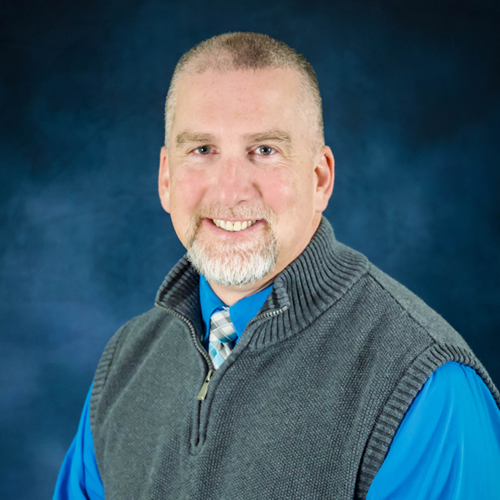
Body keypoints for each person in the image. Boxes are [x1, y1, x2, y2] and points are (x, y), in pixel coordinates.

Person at [53, 32, 500, 500]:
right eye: (202, 150)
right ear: (166, 177)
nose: (230, 191)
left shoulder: (426, 385)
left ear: (320, 178)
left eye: (264, 150)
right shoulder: (125, 364)